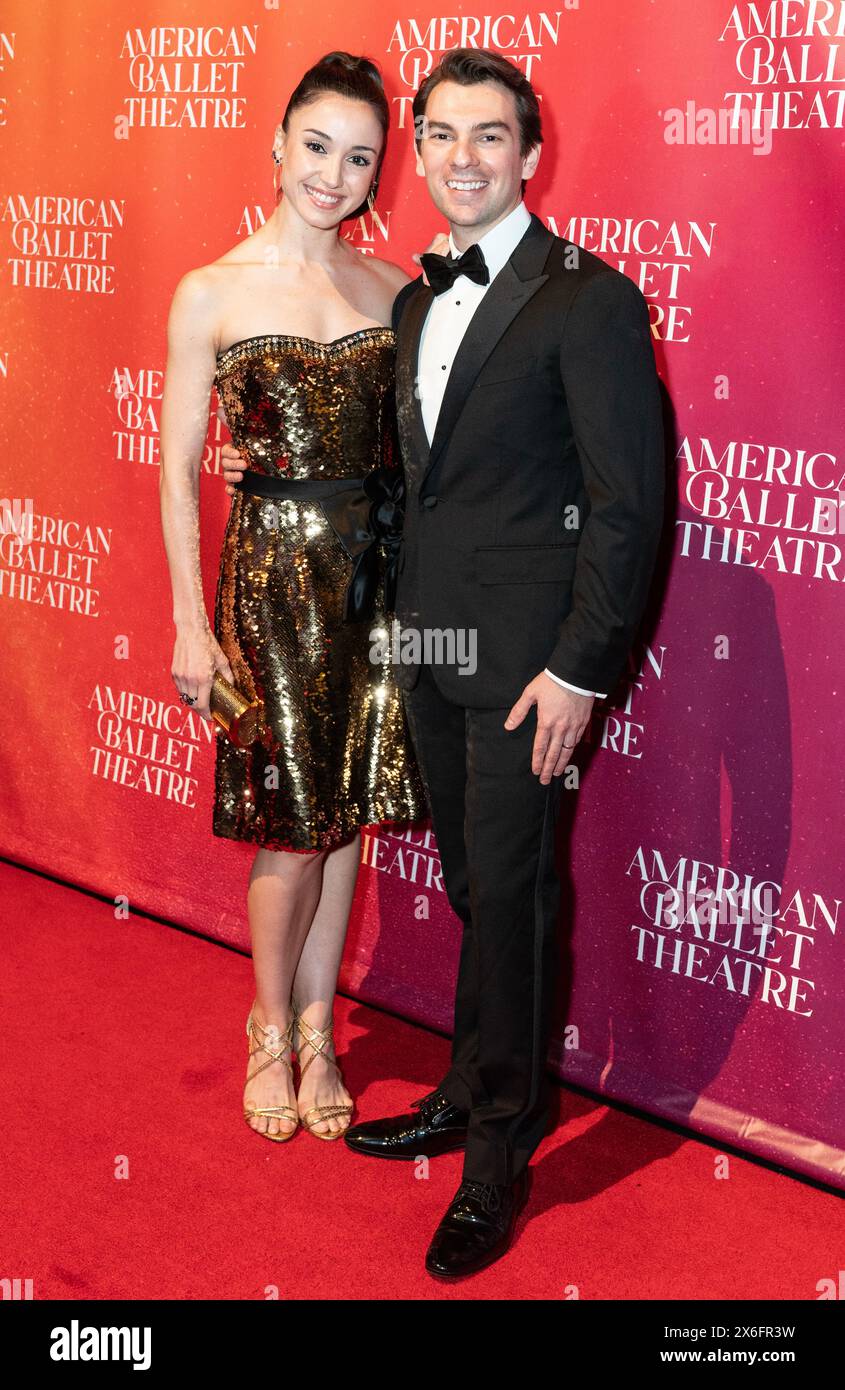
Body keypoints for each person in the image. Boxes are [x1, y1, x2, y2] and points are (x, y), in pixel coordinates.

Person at [223, 48, 666, 1280]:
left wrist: (580, 670)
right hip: (429, 652)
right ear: (414, 155)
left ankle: (495, 1161)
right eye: (441, 137)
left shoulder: (590, 299)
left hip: (533, 678)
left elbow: (629, 506)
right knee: (478, 896)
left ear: (530, 153)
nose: (462, 157)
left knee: (515, 910)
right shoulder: (415, 301)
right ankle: (472, 1089)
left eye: (489, 136)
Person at [159, 52, 428, 1147]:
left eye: (358, 157)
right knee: (290, 827)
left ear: (378, 172)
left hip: (378, 583)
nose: (332, 173)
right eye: (316, 146)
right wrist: (186, 618)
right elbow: (178, 466)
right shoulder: (211, 291)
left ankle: (320, 1026)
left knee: (347, 807)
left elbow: (415, 453)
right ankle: (270, 1024)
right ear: (277, 144)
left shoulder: (393, 286)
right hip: (271, 586)